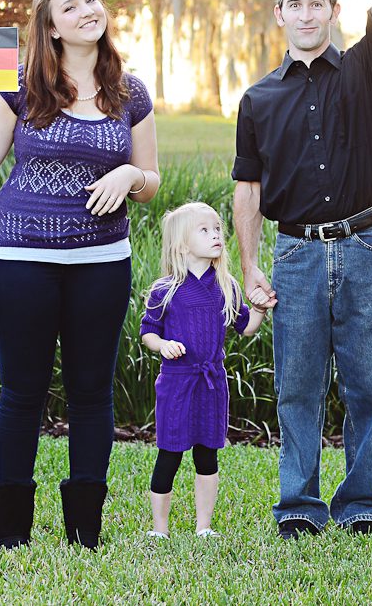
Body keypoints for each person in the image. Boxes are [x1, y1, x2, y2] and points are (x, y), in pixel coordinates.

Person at [0, 0, 160, 550]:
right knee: (22, 392)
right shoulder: (21, 86)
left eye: (93, 0)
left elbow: (153, 182)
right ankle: (12, 530)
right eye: (71, 6)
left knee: (91, 392)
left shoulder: (130, 93)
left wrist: (130, 174)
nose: (88, 11)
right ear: (50, 28)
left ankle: (85, 529)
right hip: (21, 257)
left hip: (102, 260)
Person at [232, 0, 372, 539]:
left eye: (318, 3)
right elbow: (246, 191)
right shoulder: (258, 98)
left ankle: (362, 499)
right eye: (294, 4)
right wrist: (249, 266)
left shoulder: (364, 68)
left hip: (367, 244)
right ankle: (299, 504)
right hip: (297, 254)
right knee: (298, 387)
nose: (306, 14)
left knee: (369, 385)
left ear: (335, 11)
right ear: (279, 14)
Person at [139, 202, 266, 539]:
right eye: (205, 230)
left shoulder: (226, 287)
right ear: (182, 245)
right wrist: (162, 345)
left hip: (212, 385)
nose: (215, 236)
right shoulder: (164, 290)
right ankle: (159, 529)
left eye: (217, 230)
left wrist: (261, 309)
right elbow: (148, 331)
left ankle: (203, 527)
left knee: (207, 455)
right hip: (176, 384)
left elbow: (246, 327)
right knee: (169, 454)